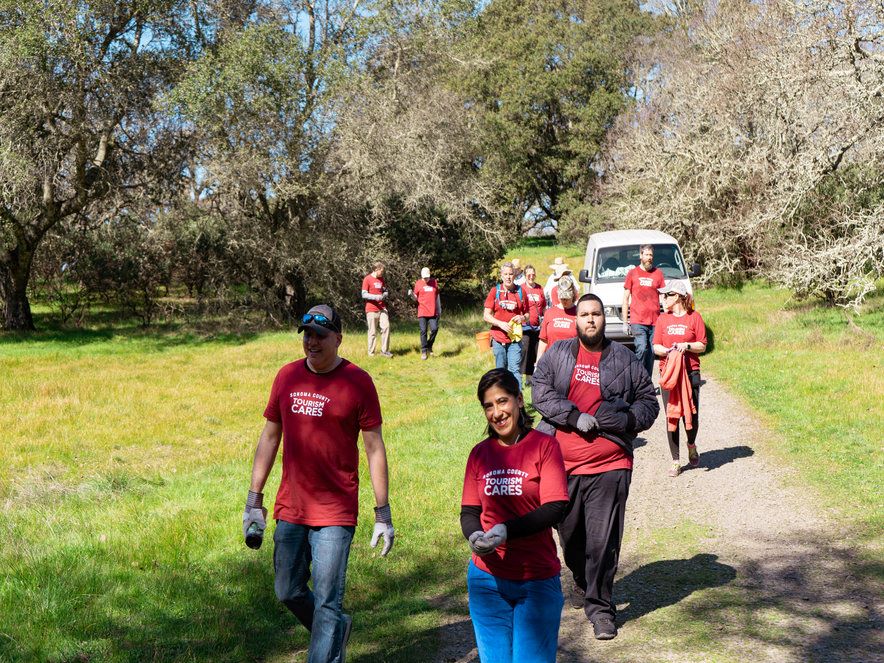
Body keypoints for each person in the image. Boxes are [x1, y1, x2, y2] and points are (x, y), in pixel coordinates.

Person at [243, 304, 395, 663]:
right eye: (307, 334)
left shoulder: (359, 382)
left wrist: (383, 512)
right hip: (292, 505)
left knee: (327, 600)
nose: (312, 342)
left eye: (320, 335)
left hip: (336, 510)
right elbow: (269, 437)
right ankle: (336, 631)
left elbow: (374, 448)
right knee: (287, 590)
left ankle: (327, 645)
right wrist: (254, 497)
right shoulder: (287, 376)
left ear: (339, 338)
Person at [531, 294, 659, 640]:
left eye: (596, 314)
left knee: (604, 540)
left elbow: (648, 401)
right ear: (576, 320)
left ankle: (601, 608)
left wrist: (626, 419)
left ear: (606, 318)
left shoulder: (625, 358)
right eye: (585, 314)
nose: (590, 319)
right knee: (571, 539)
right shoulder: (559, 354)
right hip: (563, 465)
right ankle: (584, 579)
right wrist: (573, 416)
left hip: (610, 463)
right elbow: (539, 391)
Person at [461, 368, 569, 663]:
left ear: (520, 401)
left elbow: (554, 507)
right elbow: (469, 511)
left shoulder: (545, 446)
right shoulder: (479, 454)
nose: (497, 412)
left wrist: (506, 530)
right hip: (486, 579)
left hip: (535, 579)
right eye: (488, 405)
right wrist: (474, 535)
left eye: (502, 401)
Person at [652, 281, 708, 477]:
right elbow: (655, 346)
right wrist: (668, 351)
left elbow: (702, 344)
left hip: (691, 372)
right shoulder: (662, 319)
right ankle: (675, 461)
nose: (663, 298)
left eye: (666, 295)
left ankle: (691, 444)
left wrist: (687, 346)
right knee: (671, 416)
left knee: (691, 416)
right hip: (669, 374)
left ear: (676, 296)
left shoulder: (695, 318)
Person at [622, 244, 666, 378]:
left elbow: (663, 297)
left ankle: (646, 380)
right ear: (641, 256)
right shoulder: (632, 273)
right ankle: (637, 378)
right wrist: (625, 322)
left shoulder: (658, 274)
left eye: (651, 255)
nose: (649, 258)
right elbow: (625, 298)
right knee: (641, 347)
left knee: (652, 351)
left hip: (655, 321)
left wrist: (668, 317)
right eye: (646, 255)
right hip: (638, 320)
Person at [483, 262, 529, 388]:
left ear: (515, 275)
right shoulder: (495, 291)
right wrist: (500, 324)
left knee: (515, 370)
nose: (508, 277)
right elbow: (486, 315)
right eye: (506, 274)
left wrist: (522, 317)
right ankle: (502, 398)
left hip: (515, 339)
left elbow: (527, 314)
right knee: (500, 371)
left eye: (511, 274)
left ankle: (518, 402)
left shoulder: (521, 292)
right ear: (501, 275)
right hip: (498, 339)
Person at [536, 276, 577, 363]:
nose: (565, 300)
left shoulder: (579, 313)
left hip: (571, 362)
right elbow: (543, 340)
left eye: (567, 298)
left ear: (573, 293)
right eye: (562, 298)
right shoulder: (549, 313)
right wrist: (538, 363)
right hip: (552, 361)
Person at [520, 265, 546, 382]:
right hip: (525, 326)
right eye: (528, 274)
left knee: (537, 351)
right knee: (525, 351)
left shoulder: (540, 288)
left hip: (538, 326)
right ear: (525, 275)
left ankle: (534, 377)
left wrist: (545, 320)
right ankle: (523, 377)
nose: (531, 276)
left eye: (533, 274)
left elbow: (544, 306)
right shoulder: (521, 288)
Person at [362, 261, 392, 358]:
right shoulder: (367, 279)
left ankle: (385, 351)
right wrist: (376, 297)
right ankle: (371, 353)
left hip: (382, 308)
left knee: (386, 327)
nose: (382, 273)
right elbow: (364, 294)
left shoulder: (381, 279)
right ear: (376, 269)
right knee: (372, 332)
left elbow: (384, 289)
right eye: (381, 271)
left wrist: (385, 293)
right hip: (371, 309)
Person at [411, 266, 441, 360]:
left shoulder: (434, 282)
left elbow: (437, 297)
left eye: (427, 277)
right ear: (421, 276)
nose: (426, 279)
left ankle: (429, 345)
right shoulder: (418, 283)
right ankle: (424, 351)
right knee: (423, 331)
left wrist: (439, 309)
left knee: (435, 329)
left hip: (433, 311)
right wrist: (411, 295)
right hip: (422, 311)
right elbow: (415, 297)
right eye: (424, 277)